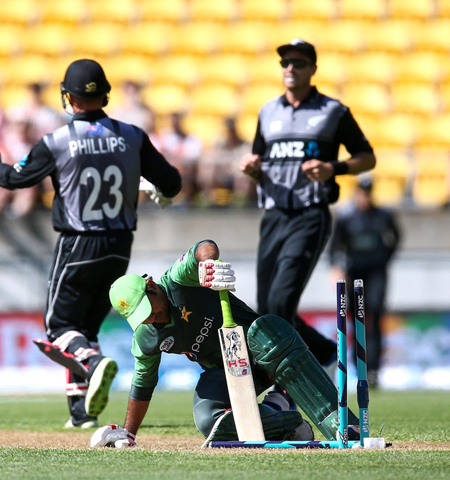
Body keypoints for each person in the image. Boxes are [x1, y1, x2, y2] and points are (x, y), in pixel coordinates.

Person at [0, 59, 182, 428]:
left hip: (78, 243)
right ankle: (81, 412)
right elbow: (172, 183)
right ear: (105, 95)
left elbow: (13, 179)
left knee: (59, 328)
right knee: (84, 329)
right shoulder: (133, 135)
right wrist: (149, 183)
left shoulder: (58, 140)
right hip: (120, 245)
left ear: (68, 98)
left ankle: (91, 363)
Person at [89, 239, 359, 448]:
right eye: (140, 316)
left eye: (148, 308)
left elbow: (204, 247)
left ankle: (343, 424)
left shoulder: (177, 281)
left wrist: (207, 264)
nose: (150, 318)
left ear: (151, 285)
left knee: (267, 333)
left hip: (263, 349)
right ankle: (285, 417)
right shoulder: (146, 336)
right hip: (229, 372)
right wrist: (129, 432)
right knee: (210, 421)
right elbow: (142, 385)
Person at [238, 39, 376, 370]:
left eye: (298, 63)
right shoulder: (267, 112)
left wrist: (333, 168)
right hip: (273, 214)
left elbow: (367, 157)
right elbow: (260, 161)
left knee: (282, 301)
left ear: (313, 69)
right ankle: (324, 352)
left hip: (309, 214)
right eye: (285, 62)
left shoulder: (332, 111)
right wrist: (252, 169)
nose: (290, 68)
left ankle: (288, 379)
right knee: (266, 308)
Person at [329, 177, 400, 387]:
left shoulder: (383, 216)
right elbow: (334, 248)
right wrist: (336, 269)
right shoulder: (346, 217)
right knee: (355, 319)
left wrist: (385, 259)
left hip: (377, 272)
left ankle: (374, 370)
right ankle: (358, 366)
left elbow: (395, 238)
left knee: (375, 314)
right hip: (354, 274)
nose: (365, 197)